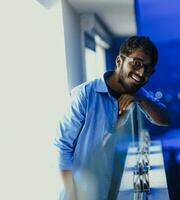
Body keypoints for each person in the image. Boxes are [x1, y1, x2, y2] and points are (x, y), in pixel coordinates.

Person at [54, 36, 170, 200]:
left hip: (117, 191)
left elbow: (164, 119)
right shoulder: (85, 95)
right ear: (119, 61)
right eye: (136, 63)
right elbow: (61, 147)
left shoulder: (137, 93)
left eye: (148, 69)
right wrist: (72, 192)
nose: (141, 72)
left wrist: (142, 100)